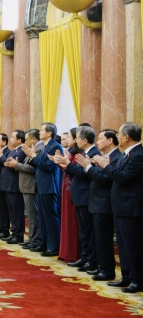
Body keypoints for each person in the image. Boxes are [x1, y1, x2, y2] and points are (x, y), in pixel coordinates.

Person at [94, 123, 143, 294]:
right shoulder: (126, 154)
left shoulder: (138, 155)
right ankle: (126, 276)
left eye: (119, 134)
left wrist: (105, 165)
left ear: (126, 137)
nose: (118, 137)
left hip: (131, 208)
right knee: (122, 244)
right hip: (120, 207)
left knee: (132, 245)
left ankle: (137, 280)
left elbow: (123, 177)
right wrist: (108, 166)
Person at [53, 126, 100, 269]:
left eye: (77, 138)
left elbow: (84, 174)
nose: (76, 141)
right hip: (79, 195)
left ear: (84, 140)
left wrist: (67, 164)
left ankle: (91, 260)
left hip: (86, 195)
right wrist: (65, 163)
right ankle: (84, 257)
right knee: (83, 231)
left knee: (88, 231)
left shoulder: (93, 153)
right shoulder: (84, 152)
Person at [78, 129, 122, 282]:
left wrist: (88, 167)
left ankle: (107, 270)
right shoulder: (104, 156)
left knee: (104, 239)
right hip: (97, 202)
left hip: (105, 203)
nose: (97, 142)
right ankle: (103, 267)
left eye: (101, 138)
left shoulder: (116, 157)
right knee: (99, 238)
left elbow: (105, 180)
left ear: (110, 140)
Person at [23, 122, 62, 257]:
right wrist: (33, 156)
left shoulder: (55, 146)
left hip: (49, 186)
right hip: (41, 185)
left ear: (49, 133)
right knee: (43, 217)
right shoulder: (45, 146)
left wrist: (33, 156)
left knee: (50, 217)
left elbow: (49, 167)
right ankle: (44, 243)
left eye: (42, 130)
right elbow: (40, 165)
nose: (39, 132)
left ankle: (53, 246)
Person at [0, 131, 25, 244]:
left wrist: (0, 156)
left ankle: (18, 235)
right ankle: (14, 232)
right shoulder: (13, 151)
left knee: (16, 211)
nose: (10, 139)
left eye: (13, 137)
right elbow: (7, 163)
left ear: (19, 140)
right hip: (8, 185)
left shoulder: (22, 151)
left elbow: (9, 165)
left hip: (14, 185)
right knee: (11, 211)